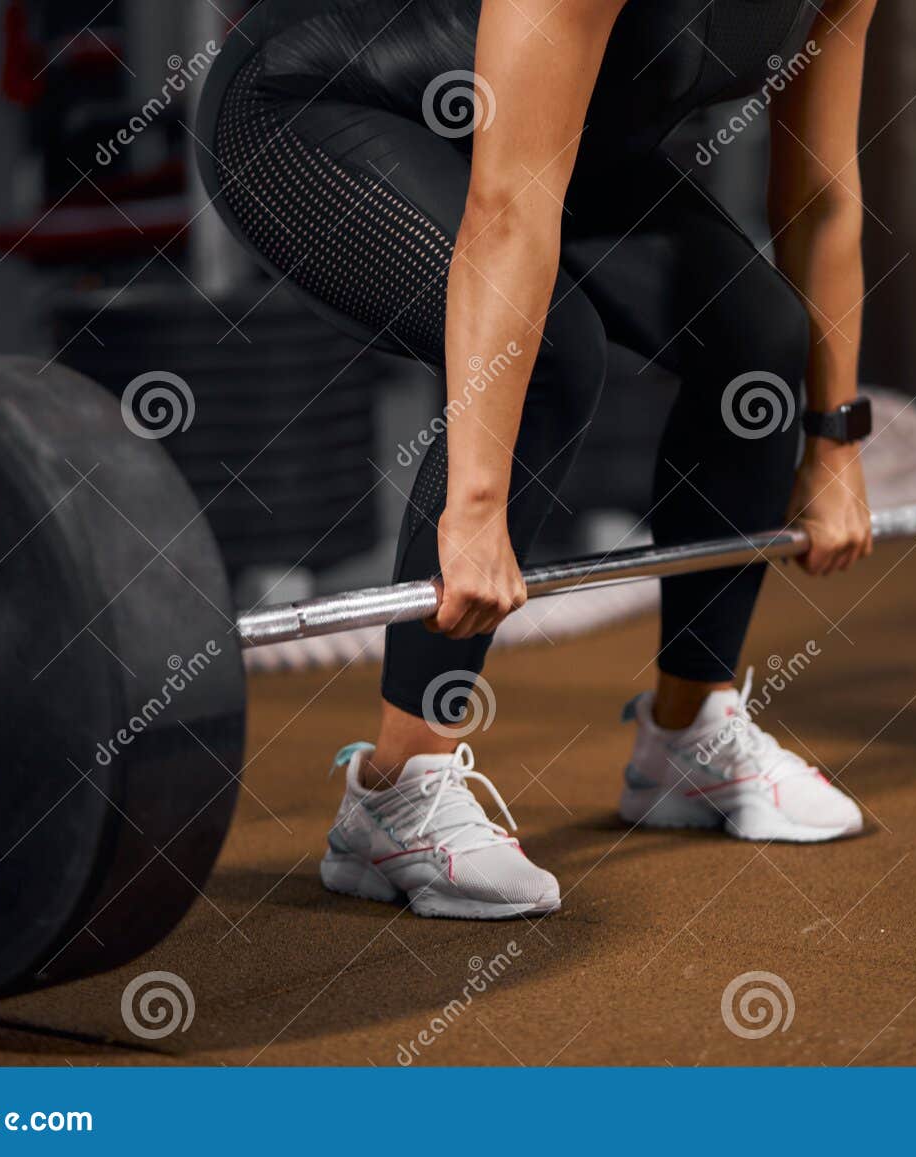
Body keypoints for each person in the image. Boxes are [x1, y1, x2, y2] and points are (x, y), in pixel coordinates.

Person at [198, 0, 878, 920]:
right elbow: (509, 208)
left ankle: (686, 733)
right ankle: (397, 791)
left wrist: (834, 443)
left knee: (757, 337)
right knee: (551, 352)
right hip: (311, 110)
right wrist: (473, 509)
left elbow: (822, 198)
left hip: (552, 131)